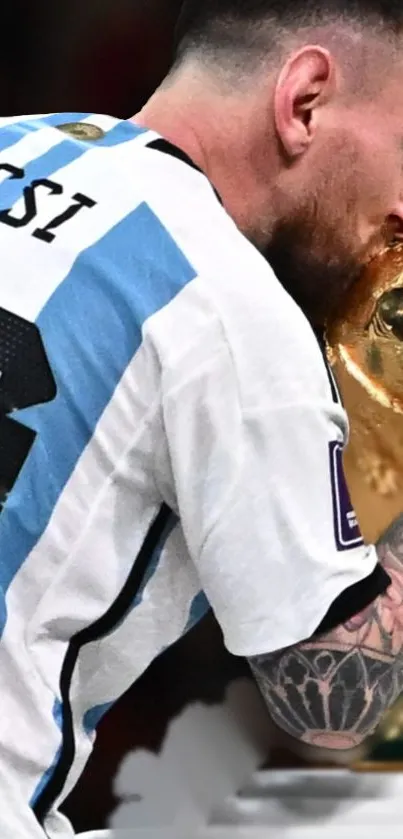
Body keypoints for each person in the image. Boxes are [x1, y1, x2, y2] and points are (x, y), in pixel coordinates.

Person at [2, 1, 403, 836]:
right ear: (304, 100)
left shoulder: (15, 138)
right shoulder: (225, 301)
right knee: (372, 814)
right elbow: (335, 697)